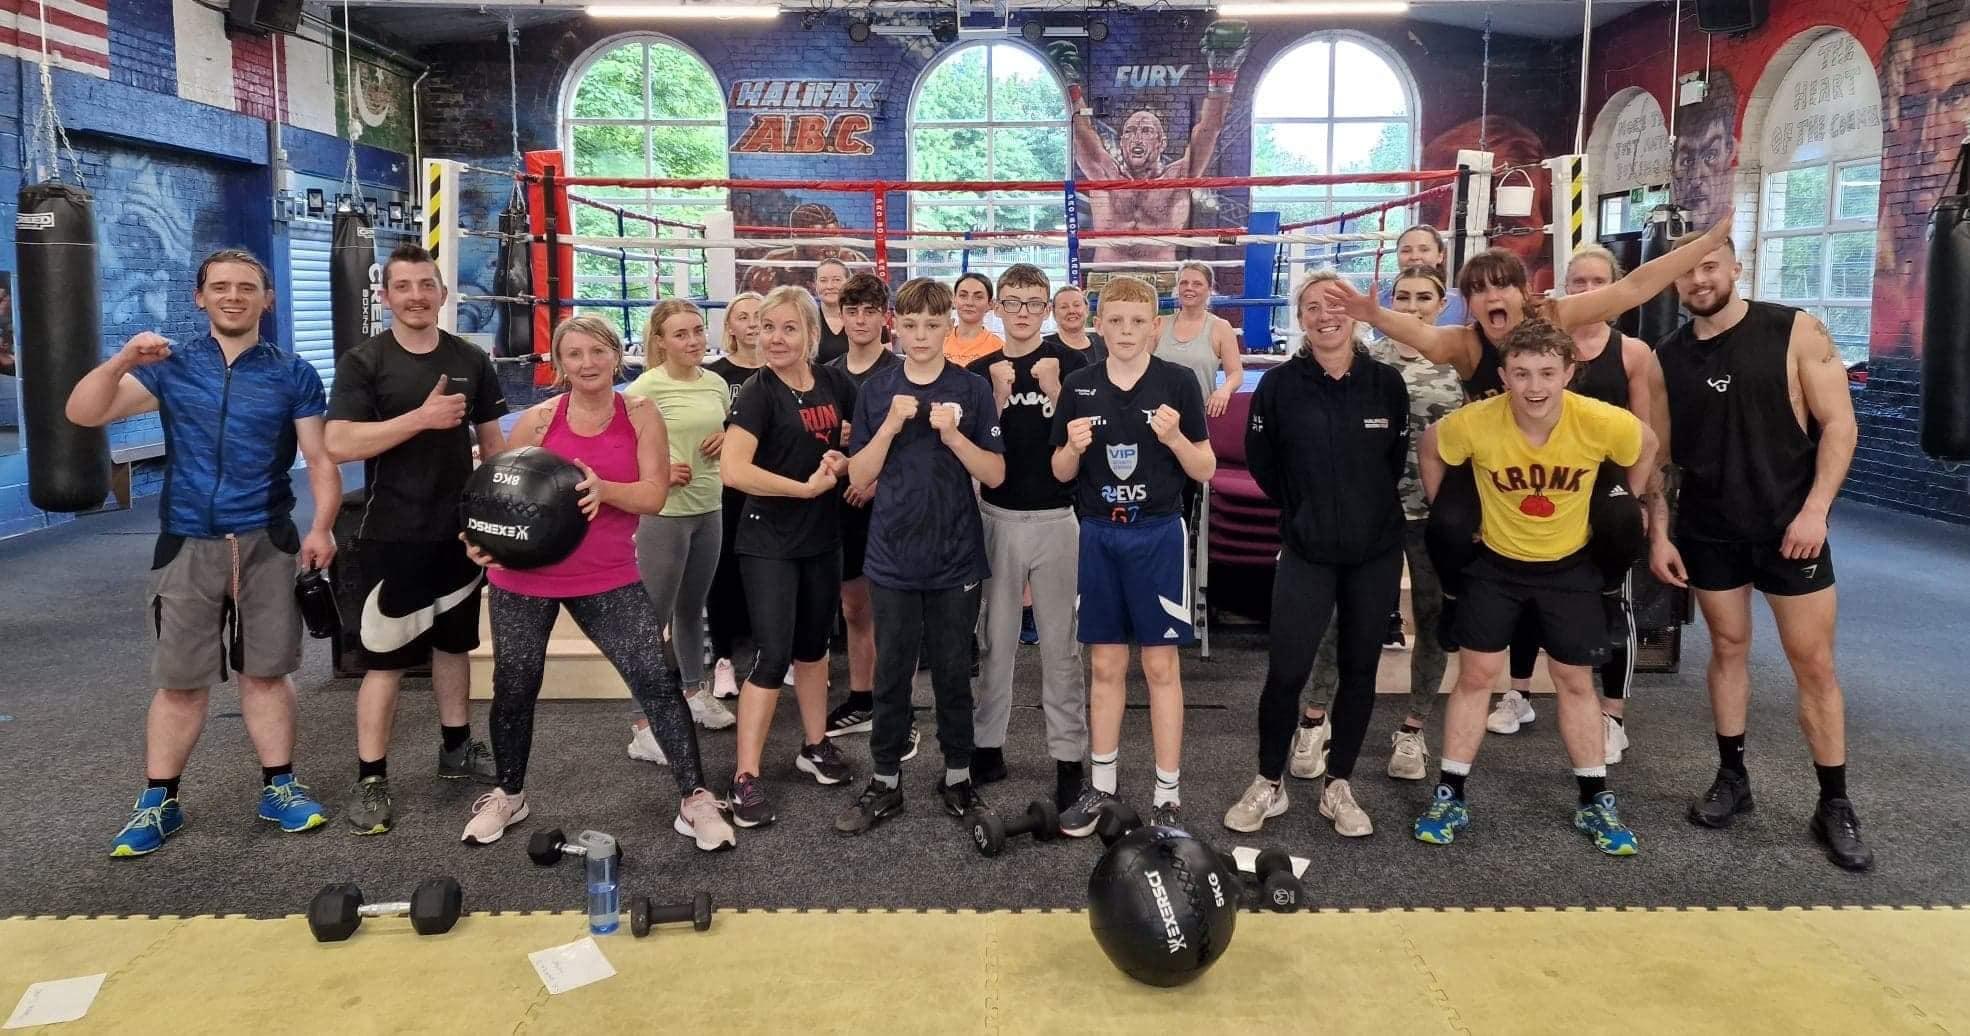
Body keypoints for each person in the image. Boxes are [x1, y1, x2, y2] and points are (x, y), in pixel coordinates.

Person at [1320, 213, 1731, 652]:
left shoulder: (1554, 315)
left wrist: (1704, 244)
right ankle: (1456, 598)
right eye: (1479, 290)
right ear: (1468, 303)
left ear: (1524, 292)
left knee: (1623, 519)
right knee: (1447, 524)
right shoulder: (1466, 343)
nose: (1492, 297)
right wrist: (1375, 315)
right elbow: (1420, 333)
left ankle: (1609, 596)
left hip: (1566, 457)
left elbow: (1632, 289)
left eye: (1502, 286)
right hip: (1497, 462)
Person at [71, 249, 341, 856]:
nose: (233, 296)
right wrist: (122, 360)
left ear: (267, 299)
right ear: (200, 298)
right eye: (220, 287)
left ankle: (280, 787)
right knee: (180, 681)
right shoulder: (171, 368)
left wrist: (322, 526)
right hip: (187, 540)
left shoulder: (293, 374)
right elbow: (83, 411)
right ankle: (158, 800)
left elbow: (320, 458)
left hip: (266, 539)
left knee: (266, 673)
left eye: (246, 287)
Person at [458, 316, 734, 851]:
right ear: (561, 364)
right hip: (524, 576)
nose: (587, 363)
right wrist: (478, 540)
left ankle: (695, 799)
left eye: (597, 351)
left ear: (615, 354)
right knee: (515, 686)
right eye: (575, 354)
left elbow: (654, 494)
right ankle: (508, 795)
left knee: (654, 680)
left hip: (606, 573)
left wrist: (605, 489)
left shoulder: (640, 413)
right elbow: (496, 496)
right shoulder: (538, 421)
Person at [1648, 231, 1872, 872]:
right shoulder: (1667, 357)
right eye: (1687, 273)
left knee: (1814, 664)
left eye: (1710, 267)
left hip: (1790, 527)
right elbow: (1658, 456)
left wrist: (1815, 511)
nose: (1699, 281)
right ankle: (1733, 777)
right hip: (1710, 529)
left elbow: (1841, 425)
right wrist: (1660, 531)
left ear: (1736, 267)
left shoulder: (1794, 329)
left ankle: (1834, 802)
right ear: (1674, 282)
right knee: (1727, 649)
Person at [1412, 318, 1656, 857]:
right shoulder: (1475, 422)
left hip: (1569, 566)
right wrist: (1449, 509)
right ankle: (1450, 794)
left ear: (1569, 372)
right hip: (1495, 565)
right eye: (1521, 373)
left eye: (1547, 372)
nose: (1534, 386)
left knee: (1574, 680)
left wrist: (1624, 501)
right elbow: (1431, 448)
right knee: (1476, 675)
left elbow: (1648, 443)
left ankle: (1594, 798)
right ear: (1503, 376)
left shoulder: (1599, 420)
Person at [323, 243, 505, 835]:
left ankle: (456, 748)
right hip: (392, 533)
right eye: (404, 286)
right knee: (387, 662)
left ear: (443, 293)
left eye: (427, 285)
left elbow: (493, 448)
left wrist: (493, 521)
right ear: (385, 296)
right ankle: (371, 777)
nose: (417, 296)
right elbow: (339, 443)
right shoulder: (365, 361)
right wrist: (420, 419)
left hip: (456, 533)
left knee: (455, 647)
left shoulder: (470, 359)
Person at [1225, 270, 1408, 838]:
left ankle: (1338, 785)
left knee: (1359, 669)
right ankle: (1269, 782)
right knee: (1287, 670)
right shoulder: (1280, 385)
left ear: (1353, 313)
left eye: (1336, 305)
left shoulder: (1386, 384)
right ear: (1299, 318)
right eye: (1312, 307)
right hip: (1306, 549)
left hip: (1374, 551)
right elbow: (1262, 461)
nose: (1325, 316)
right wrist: (1303, 508)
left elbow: (1393, 461)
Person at [836, 277, 1006, 833]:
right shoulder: (877, 391)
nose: (922, 335)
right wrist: (889, 426)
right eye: (911, 325)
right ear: (896, 327)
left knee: (954, 671)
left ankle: (958, 777)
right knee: (891, 672)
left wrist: (955, 437)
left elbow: (995, 474)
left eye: (933, 325)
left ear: (948, 326)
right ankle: (885, 781)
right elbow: (858, 476)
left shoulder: (972, 389)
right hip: (892, 554)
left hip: (955, 553)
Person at [1050, 274, 1216, 834]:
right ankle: (1102, 788)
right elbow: (1059, 471)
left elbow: (1205, 468)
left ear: (1154, 327)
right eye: (1115, 320)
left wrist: (1175, 439)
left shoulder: (1178, 382)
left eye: (1137, 321)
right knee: (1104, 664)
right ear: (1098, 324)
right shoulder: (1079, 385)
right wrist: (1072, 450)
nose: (1125, 330)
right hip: (1099, 533)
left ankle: (1168, 795)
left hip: (1158, 533)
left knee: (1160, 664)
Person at [1488, 246, 1663, 764]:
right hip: (1548, 480)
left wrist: (1636, 498)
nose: (1588, 291)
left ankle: (1612, 716)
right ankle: (1519, 692)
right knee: (1528, 585)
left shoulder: (1632, 352)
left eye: (1597, 281)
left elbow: (1646, 434)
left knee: (1613, 599)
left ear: (1614, 286)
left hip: (1605, 484)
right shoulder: (1541, 343)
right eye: (1578, 281)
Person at [1296, 266, 1463, 783]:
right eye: (1403, 296)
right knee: (1340, 619)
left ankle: (1413, 729)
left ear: (1441, 304)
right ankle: (1314, 719)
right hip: (1369, 513)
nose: (1413, 306)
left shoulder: (1456, 362)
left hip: (1434, 514)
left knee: (1432, 621)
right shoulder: (1368, 358)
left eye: (1424, 297)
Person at [720, 284, 860, 826]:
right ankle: (745, 776)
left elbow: (853, 441)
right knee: (772, 655)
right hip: (769, 542)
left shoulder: (832, 382)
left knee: (814, 649)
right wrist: (802, 489)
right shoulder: (758, 393)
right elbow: (734, 470)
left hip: (822, 537)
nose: (775, 338)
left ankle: (815, 744)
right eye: (767, 328)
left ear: (811, 333)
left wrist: (843, 460)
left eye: (788, 328)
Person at [968, 264, 1091, 812]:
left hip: (1058, 517)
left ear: (1047, 309)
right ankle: (987, 747)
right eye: (1013, 302)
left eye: (1033, 303)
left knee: (1062, 646)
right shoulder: (978, 372)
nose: (1023, 312)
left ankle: (1068, 758)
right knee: (995, 642)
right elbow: (972, 449)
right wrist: (995, 397)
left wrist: (1056, 389)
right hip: (997, 515)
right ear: (997, 307)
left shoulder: (1075, 366)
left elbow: (1085, 438)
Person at [624, 300, 739, 769]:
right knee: (652, 619)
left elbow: (726, 431)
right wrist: (657, 471)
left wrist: (728, 436)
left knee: (692, 608)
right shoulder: (645, 388)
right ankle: (641, 722)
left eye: (697, 330)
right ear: (660, 341)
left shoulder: (715, 384)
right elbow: (620, 449)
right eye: (680, 334)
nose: (693, 341)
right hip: (664, 513)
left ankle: (694, 692)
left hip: (709, 506)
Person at [821, 274, 917, 762]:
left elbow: (916, 446)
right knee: (854, 607)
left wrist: (873, 481)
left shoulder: (902, 371)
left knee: (895, 614)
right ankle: (863, 698)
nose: (860, 321)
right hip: (841, 503)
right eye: (851, 311)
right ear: (840, 317)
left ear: (885, 317)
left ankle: (900, 709)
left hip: (892, 504)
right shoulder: (825, 374)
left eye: (869, 311)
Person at [1063, 21, 1247, 262]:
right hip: (1107, 275)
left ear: (1162, 143)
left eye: (1146, 130)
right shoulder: (1106, 176)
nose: (1137, 137)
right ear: (1122, 142)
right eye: (1130, 131)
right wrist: (1072, 88)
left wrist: (1222, 75)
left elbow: (1209, 129)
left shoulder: (1178, 178)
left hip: (1162, 276)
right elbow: (1082, 134)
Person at [705, 292, 765, 701]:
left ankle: (776, 655)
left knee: (770, 574)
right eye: (742, 316)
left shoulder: (782, 372)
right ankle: (724, 659)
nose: (751, 323)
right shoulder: (715, 376)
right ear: (730, 326)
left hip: (772, 484)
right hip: (727, 488)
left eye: (759, 316)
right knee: (723, 572)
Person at [1156, 261, 1245, 418]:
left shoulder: (1220, 327)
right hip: (1159, 415)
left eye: (1197, 284)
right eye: (1184, 283)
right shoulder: (1159, 324)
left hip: (1199, 416)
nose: (1189, 287)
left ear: (1209, 289)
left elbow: (1236, 373)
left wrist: (1224, 390)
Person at [1375, 225, 1468, 326]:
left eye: (1424, 250)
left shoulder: (1465, 303)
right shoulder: (1375, 303)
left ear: (1440, 256)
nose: (1415, 257)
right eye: (1406, 251)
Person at [944, 272, 1005, 368]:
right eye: (963, 295)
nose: (969, 303)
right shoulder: (938, 340)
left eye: (978, 297)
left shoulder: (999, 348)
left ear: (990, 304)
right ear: (954, 300)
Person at [1043, 284, 1106, 364]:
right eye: (1064, 307)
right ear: (1054, 313)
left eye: (1077, 305)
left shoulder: (1104, 346)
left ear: (1087, 309)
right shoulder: (1043, 348)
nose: (1071, 311)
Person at [812, 258, 853, 364]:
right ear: (815, 285)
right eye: (823, 280)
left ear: (848, 283)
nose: (829, 286)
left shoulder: (865, 319)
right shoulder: (806, 320)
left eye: (836, 280)